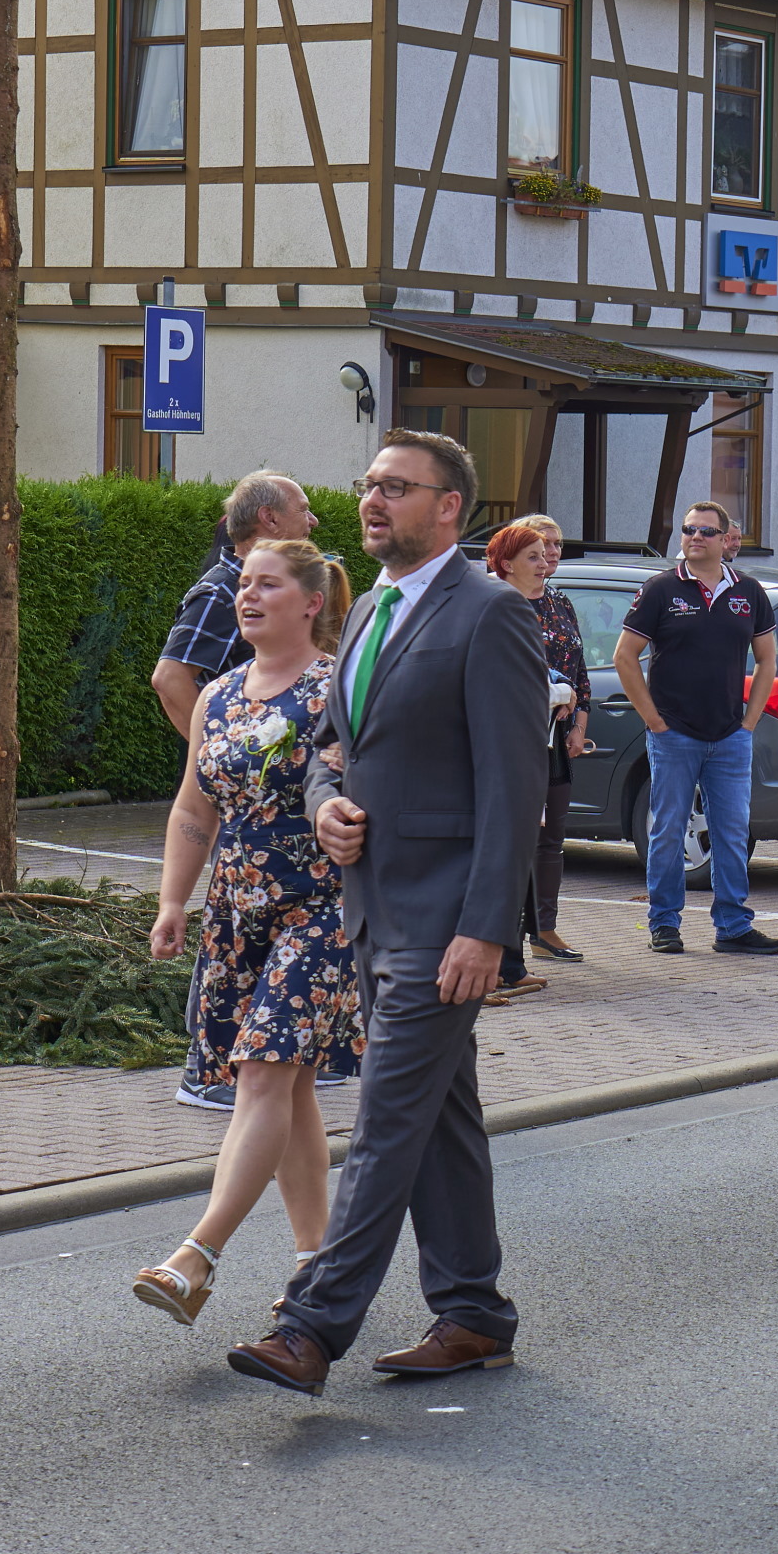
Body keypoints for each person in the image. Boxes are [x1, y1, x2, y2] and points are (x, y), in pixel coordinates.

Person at [228, 428, 550, 1396]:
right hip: (374, 910)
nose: (373, 500)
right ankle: (474, 1312)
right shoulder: (369, 606)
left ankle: (310, 1327)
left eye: (397, 487)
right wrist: (327, 800)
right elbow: (334, 744)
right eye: (370, 484)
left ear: (449, 507)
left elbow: (515, 787)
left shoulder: (492, 614)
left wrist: (487, 929)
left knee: (385, 1123)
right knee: (441, 1119)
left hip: (446, 922)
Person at [133, 538, 360, 1326]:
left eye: (269, 585)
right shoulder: (219, 695)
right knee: (284, 1087)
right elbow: (193, 805)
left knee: (264, 1073)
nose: (248, 596)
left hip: (321, 908)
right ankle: (317, 1263)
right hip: (235, 913)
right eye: (245, 585)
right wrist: (173, 901)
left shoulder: (337, 688)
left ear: (311, 602)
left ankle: (195, 1256)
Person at [615, 501, 778, 957]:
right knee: (668, 831)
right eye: (689, 529)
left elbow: (767, 660)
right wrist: (654, 721)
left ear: (725, 539)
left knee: (731, 833)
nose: (695, 537)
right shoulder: (660, 589)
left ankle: (733, 926)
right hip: (674, 735)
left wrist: (749, 722)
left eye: (706, 531)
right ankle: (664, 923)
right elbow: (624, 657)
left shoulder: (748, 592)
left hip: (729, 736)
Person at [484, 524, 589, 983]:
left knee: (543, 839)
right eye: (535, 552)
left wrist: (576, 716)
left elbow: (574, 669)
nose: (547, 558)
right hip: (507, 741)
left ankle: (535, 938)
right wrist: (554, 690)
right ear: (506, 562)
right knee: (507, 846)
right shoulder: (493, 604)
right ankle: (500, 960)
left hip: (550, 736)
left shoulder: (559, 602)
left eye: (552, 548)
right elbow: (511, 671)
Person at [152, 472, 319, 740]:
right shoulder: (221, 592)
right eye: (303, 509)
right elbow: (169, 678)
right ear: (270, 518)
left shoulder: (242, 588)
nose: (313, 521)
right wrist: (216, 751)